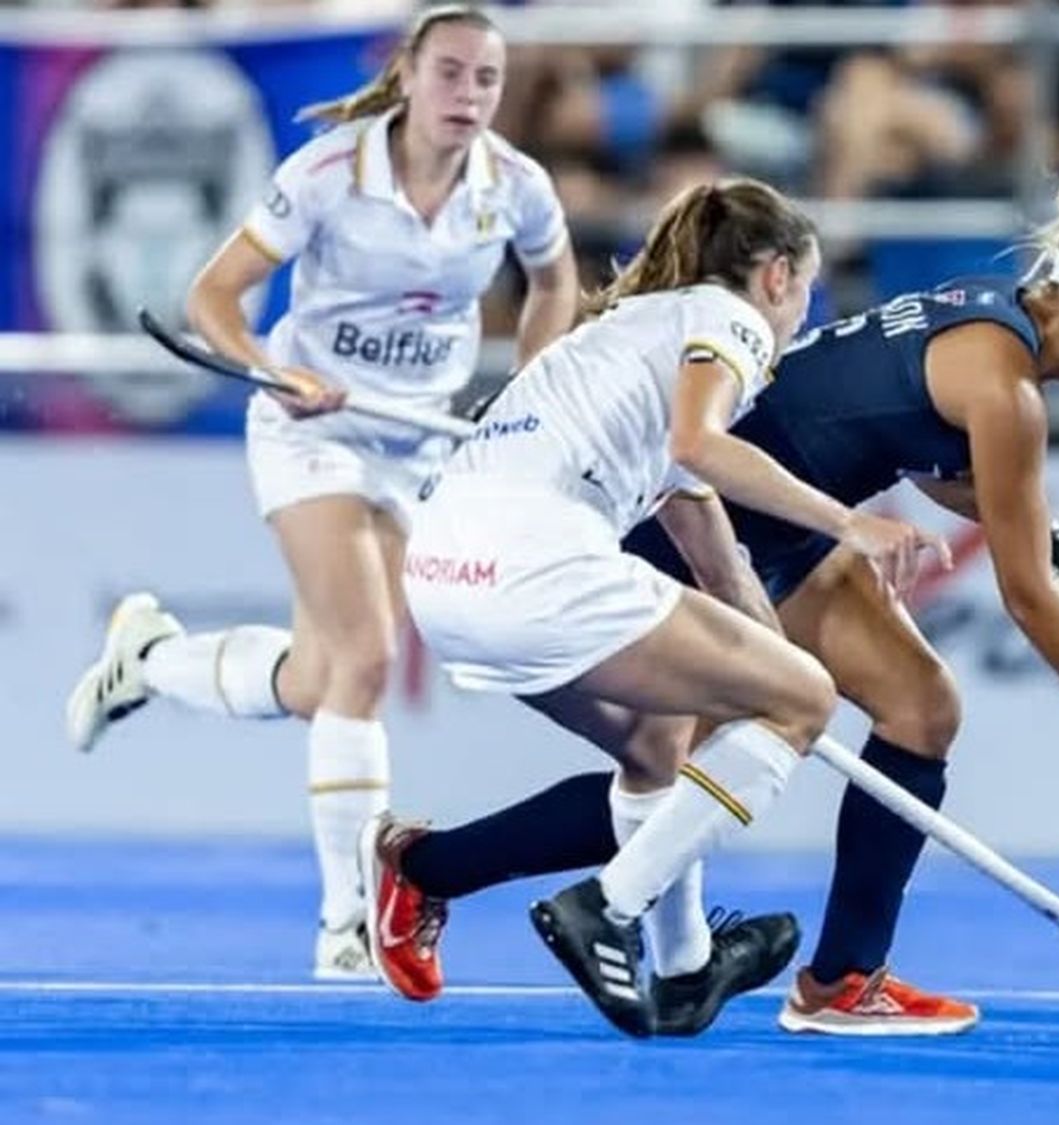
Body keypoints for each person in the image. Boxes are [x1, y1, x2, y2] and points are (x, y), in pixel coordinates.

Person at [363, 158, 1059, 1037]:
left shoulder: (986, 316)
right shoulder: (1005, 389)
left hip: (784, 524)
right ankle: (440, 870)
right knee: (672, 777)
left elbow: (928, 454)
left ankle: (839, 979)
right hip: (721, 509)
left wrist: (1024, 524)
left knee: (917, 709)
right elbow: (1031, 598)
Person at [361, 176, 948, 1038]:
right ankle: (609, 904)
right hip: (534, 563)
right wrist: (848, 526)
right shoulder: (729, 320)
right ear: (777, 276)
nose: (796, 323)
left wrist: (769, 688)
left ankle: (683, 971)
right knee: (810, 695)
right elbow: (701, 443)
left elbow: (722, 560)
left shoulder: (630, 340)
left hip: (445, 582)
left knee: (660, 746)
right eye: (806, 294)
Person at [63, 4, 579, 981]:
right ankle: (347, 924)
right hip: (313, 430)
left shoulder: (516, 186)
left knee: (322, 678)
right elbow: (213, 296)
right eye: (452, 74)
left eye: (487, 81)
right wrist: (273, 370)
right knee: (367, 660)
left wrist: (532, 386)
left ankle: (155, 662)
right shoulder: (331, 173)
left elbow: (554, 284)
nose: (469, 96)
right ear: (410, 75)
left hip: (419, 444)